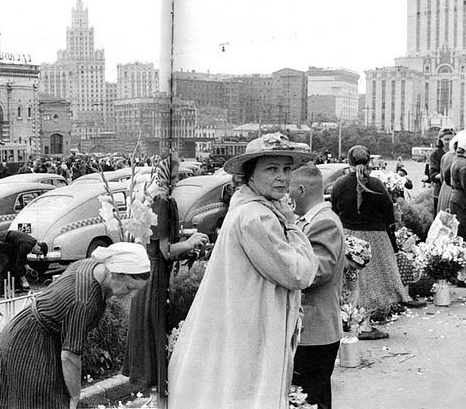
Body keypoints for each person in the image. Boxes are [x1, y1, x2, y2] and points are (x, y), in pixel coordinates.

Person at [168, 133, 319, 409]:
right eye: (272, 169)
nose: (282, 177)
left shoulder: (255, 208)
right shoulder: (257, 216)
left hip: (249, 323)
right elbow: (301, 273)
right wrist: (293, 225)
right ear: (250, 175)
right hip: (251, 329)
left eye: (286, 169)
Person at [0, 242, 151, 409]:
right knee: (39, 402)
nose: (132, 295)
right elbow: (70, 356)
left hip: (31, 331)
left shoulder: (94, 265)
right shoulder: (85, 300)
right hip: (29, 341)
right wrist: (74, 397)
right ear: (115, 273)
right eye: (130, 288)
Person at [122, 152, 209, 400]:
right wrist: (191, 242)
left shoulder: (154, 199)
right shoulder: (164, 202)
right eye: (178, 175)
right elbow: (165, 250)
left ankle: (159, 399)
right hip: (157, 279)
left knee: (156, 347)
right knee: (160, 344)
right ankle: (161, 399)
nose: (180, 180)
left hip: (149, 275)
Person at [331, 145, 411, 339]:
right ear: (369, 163)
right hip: (376, 238)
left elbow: (335, 209)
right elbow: (388, 213)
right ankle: (364, 326)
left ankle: (352, 322)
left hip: (349, 238)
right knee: (374, 282)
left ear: (348, 162)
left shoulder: (339, 184)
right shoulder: (376, 184)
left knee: (353, 283)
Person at [289, 164, 345, 409]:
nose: (285, 195)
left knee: (312, 399)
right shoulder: (312, 221)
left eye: (287, 189)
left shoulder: (324, 223)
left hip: (315, 330)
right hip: (312, 329)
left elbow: (317, 271)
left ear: (300, 190)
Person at [0, 229, 46, 298]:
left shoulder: (31, 243)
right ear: (38, 248)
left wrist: (27, 266)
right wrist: (24, 279)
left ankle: (17, 288)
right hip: (1, 241)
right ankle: (2, 292)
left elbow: (22, 257)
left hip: (9, 244)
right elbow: (19, 262)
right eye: (38, 254)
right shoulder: (27, 245)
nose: (37, 255)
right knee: (4, 266)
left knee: (13, 263)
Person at [430, 127, 455, 216]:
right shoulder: (436, 153)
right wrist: (448, 176)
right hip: (440, 190)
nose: (449, 142)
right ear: (440, 139)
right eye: (446, 139)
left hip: (454, 191)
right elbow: (433, 175)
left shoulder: (457, 152)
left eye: (451, 139)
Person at [449, 133, 466, 239]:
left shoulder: (456, 159)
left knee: (457, 230)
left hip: (455, 197)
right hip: (462, 201)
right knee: (462, 232)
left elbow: (446, 175)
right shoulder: (464, 165)